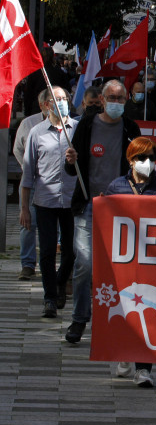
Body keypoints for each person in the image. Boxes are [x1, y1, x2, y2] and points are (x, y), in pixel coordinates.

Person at [63, 80, 142, 344]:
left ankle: (117, 320)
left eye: (121, 99)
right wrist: (70, 161)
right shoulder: (86, 126)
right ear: (102, 99)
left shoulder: (132, 129)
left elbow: (142, 170)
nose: (117, 103)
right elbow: (71, 169)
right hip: (87, 204)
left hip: (120, 208)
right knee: (84, 263)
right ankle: (79, 318)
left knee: (119, 267)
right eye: (112, 98)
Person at [106, 137, 156, 388]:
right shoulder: (117, 186)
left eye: (151, 158)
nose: (147, 163)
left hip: (152, 261)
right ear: (130, 160)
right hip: (122, 260)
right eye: (142, 158)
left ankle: (144, 369)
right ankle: (125, 354)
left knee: (149, 308)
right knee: (126, 306)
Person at [20, 87, 78, 318]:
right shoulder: (36, 132)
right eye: (57, 99)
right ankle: (50, 299)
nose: (62, 102)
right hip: (45, 200)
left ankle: (60, 282)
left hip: (73, 200)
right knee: (46, 251)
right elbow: (28, 173)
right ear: (46, 105)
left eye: (64, 98)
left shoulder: (77, 129)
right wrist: (24, 207)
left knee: (72, 250)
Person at [13, 108, 45, 280]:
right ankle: (27, 264)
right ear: (43, 104)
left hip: (54, 183)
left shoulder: (70, 124)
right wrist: (27, 169)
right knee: (27, 222)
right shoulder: (28, 123)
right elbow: (18, 149)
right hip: (31, 180)